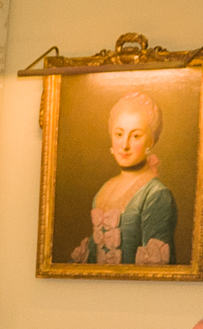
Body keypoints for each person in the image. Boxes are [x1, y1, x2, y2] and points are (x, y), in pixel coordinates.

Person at [70, 90, 177, 268]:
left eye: (135, 136)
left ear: (150, 141)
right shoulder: (104, 190)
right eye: (119, 134)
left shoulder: (156, 194)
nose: (125, 145)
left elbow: (155, 272)